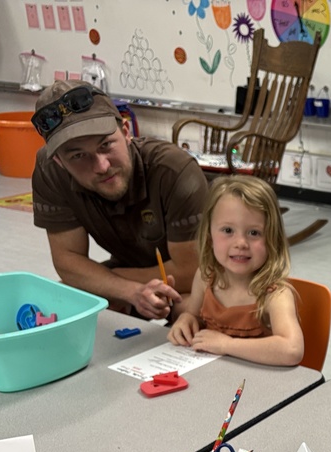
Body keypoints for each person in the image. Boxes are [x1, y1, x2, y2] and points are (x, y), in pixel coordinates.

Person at [31, 81, 209, 319]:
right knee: (57, 300)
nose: (102, 166)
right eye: (78, 155)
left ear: (127, 133)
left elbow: (191, 272)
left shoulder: (175, 171)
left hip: (206, 276)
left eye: (106, 145)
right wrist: (131, 292)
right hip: (134, 271)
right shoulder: (49, 171)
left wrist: (106, 282)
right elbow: (68, 260)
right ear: (59, 163)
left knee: (192, 311)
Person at [167, 176, 304, 366]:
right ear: (209, 236)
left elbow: (292, 350)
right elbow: (193, 315)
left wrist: (227, 345)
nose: (240, 243)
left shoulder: (275, 294)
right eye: (228, 230)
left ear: (273, 239)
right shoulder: (206, 277)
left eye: (254, 233)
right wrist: (186, 320)